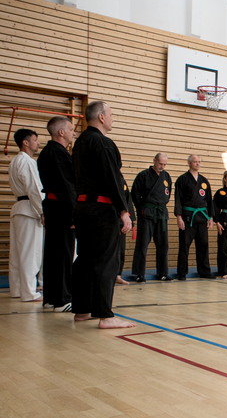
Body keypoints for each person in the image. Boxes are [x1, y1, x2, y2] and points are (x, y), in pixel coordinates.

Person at [70, 101, 135, 328]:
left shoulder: (79, 143)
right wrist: (123, 210)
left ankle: (82, 310)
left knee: (84, 259)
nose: (112, 118)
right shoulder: (103, 143)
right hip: (101, 209)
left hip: (82, 208)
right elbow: (112, 179)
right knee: (106, 261)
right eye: (111, 114)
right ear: (100, 117)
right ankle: (105, 316)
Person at [38, 117, 76, 310]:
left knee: (53, 252)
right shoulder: (58, 153)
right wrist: (74, 213)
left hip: (53, 206)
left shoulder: (47, 152)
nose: (73, 132)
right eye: (70, 129)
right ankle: (62, 300)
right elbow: (66, 186)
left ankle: (50, 298)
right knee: (63, 253)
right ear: (61, 132)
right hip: (62, 207)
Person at [9, 128, 44, 302]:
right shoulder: (27, 161)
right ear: (25, 142)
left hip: (19, 208)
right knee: (31, 252)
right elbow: (34, 189)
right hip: (30, 209)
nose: (38, 143)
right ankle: (29, 292)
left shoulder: (15, 161)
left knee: (17, 253)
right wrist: (42, 210)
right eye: (35, 140)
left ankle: (17, 289)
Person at [131, 153, 172, 282]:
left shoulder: (166, 176)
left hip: (161, 213)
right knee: (142, 243)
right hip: (147, 213)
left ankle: (162, 273)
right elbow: (135, 194)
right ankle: (139, 274)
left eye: (164, 164)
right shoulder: (143, 175)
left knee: (163, 245)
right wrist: (141, 209)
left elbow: (168, 194)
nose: (162, 166)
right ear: (154, 160)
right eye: (160, 163)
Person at [174, 155, 215, 280]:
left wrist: (211, 217)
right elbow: (178, 199)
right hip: (187, 217)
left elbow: (209, 200)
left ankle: (204, 271)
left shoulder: (204, 180)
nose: (197, 164)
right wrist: (179, 217)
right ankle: (182, 273)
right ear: (189, 163)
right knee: (184, 245)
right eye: (195, 162)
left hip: (202, 216)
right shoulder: (182, 179)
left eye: (199, 162)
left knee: (203, 244)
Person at [116, 179, 135, 285]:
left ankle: (117, 275)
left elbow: (128, 200)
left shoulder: (121, 181)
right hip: (109, 219)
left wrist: (130, 219)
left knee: (121, 249)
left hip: (121, 221)